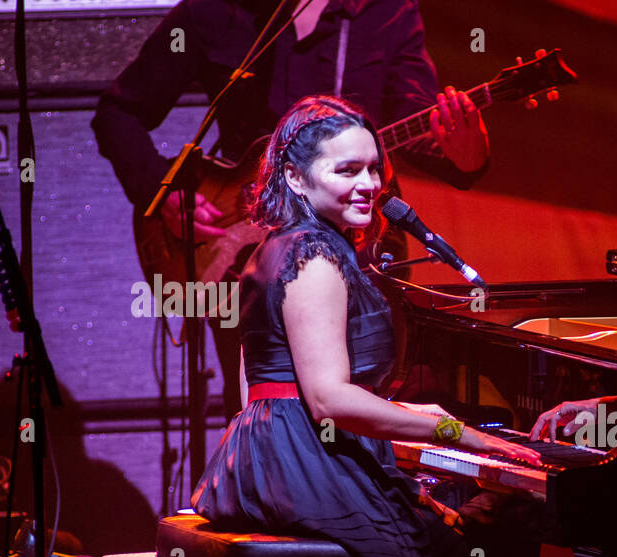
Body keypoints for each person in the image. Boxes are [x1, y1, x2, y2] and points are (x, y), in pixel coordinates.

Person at [191, 95, 544, 557]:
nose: (371, 184)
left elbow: (267, 386)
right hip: (302, 466)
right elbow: (329, 400)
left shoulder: (278, 247)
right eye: (346, 171)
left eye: (374, 168)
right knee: (507, 525)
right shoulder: (316, 256)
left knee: (461, 514)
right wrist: (445, 431)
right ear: (296, 178)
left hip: (270, 460)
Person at [92, 0, 490, 419]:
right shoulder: (215, 12)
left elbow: (419, 127)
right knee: (260, 408)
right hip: (243, 251)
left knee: (361, 403)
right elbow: (119, 112)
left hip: (357, 251)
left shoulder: (384, 11)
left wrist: (466, 156)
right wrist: (165, 191)